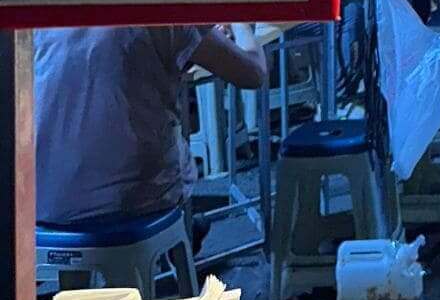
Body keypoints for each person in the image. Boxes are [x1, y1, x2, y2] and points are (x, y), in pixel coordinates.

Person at [35, 25, 269, 227]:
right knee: (174, 155)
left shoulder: (45, 11)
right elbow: (253, 73)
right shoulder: (166, 9)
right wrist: (241, 24)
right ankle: (183, 235)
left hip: (40, 201)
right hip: (129, 202)